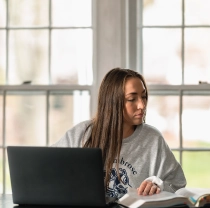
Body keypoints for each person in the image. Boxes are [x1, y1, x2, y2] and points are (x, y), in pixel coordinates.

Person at [53, 68, 186, 198]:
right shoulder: (80, 135)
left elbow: (178, 184)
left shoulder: (153, 139)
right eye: (132, 99)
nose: (142, 105)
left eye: (143, 96)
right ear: (112, 101)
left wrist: (158, 185)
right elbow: (47, 170)